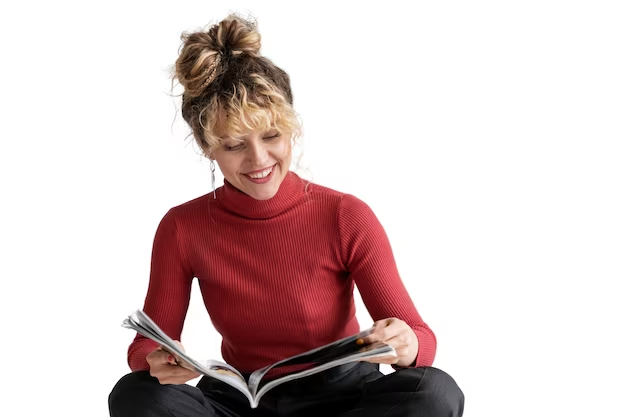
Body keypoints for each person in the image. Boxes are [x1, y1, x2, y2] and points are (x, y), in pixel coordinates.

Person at [108, 13, 464, 417]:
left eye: (272, 136)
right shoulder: (182, 227)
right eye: (233, 145)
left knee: (435, 392)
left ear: (291, 128)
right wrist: (157, 360)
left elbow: (421, 337)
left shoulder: (346, 215)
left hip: (342, 397)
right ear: (208, 146)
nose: (258, 159)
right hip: (240, 399)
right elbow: (146, 346)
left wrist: (407, 345)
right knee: (136, 395)